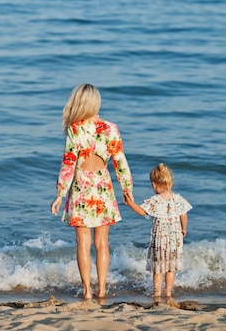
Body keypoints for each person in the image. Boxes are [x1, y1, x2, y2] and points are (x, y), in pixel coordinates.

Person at [50, 83, 133, 299]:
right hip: (103, 186)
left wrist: (60, 194)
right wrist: (127, 188)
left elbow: (68, 163)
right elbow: (120, 161)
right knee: (102, 243)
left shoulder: (75, 129)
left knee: (83, 243)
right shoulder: (111, 128)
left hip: (80, 187)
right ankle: (102, 289)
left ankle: (87, 290)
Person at [124, 163, 192, 300]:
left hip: (160, 241)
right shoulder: (178, 199)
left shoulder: (155, 201)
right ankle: (168, 291)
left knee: (158, 269)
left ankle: (156, 292)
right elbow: (184, 216)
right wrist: (183, 229)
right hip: (174, 240)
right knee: (170, 268)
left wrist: (131, 204)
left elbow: (142, 212)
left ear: (154, 184)